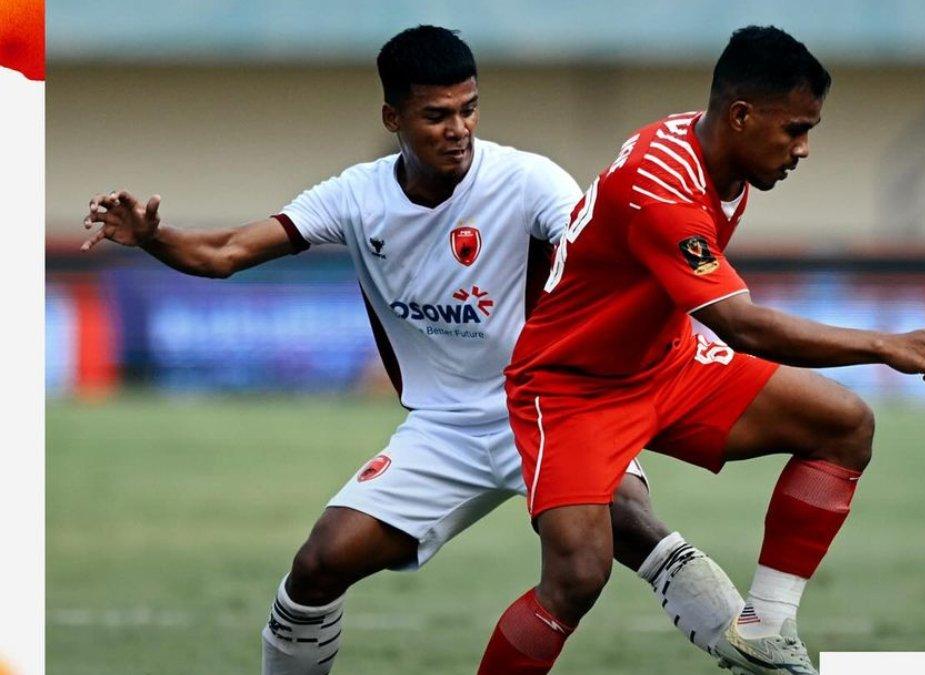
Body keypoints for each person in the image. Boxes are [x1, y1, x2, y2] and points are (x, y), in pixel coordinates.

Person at [82, 25, 750, 675]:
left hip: (552, 405)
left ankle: (767, 649)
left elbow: (602, 247)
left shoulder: (529, 182)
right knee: (318, 565)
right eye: (436, 115)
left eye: (469, 109)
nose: (458, 129)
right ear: (392, 117)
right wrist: (154, 236)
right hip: (445, 426)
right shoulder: (355, 196)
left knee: (631, 523)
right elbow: (227, 252)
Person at [482, 25, 925, 675]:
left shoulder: (725, 158)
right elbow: (741, 325)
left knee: (843, 423)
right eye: (795, 129)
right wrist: (882, 343)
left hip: (664, 363)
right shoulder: (663, 185)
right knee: (577, 575)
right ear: (741, 116)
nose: (803, 149)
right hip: (572, 386)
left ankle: (766, 627)